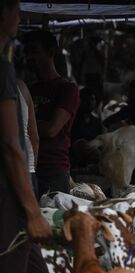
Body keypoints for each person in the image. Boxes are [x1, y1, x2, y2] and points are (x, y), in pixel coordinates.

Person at [0, 1, 53, 273]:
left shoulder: (13, 76)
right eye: (15, 9)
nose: (19, 17)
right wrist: (32, 211)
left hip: (17, 193)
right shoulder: (3, 71)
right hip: (10, 197)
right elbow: (11, 145)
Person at [24, 30, 80, 196]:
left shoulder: (67, 89)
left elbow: (51, 129)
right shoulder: (31, 89)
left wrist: (23, 124)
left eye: (34, 51)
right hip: (29, 167)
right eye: (27, 52)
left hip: (53, 170)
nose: (29, 57)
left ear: (51, 52)